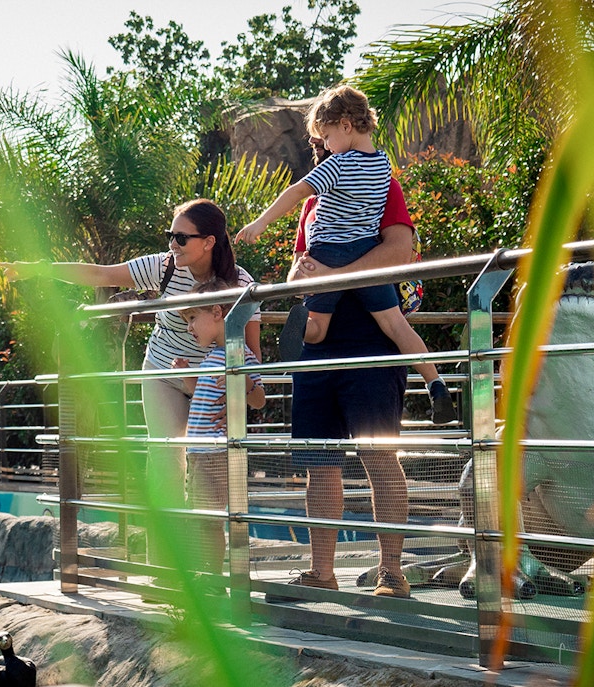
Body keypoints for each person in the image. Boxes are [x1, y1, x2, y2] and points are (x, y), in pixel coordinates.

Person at [0, 198, 262, 570]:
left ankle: (211, 571)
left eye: (181, 238)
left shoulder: (240, 284)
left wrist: (242, 390)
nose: (173, 244)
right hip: (164, 372)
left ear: (209, 242)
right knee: (166, 460)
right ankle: (164, 568)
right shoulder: (164, 267)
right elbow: (103, 275)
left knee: (211, 477)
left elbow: (251, 355)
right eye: (170, 235)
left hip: (213, 381)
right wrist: (38, 270)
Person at [235, 84, 455, 424]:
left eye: (325, 136)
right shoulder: (383, 166)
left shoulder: (337, 166)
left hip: (328, 253)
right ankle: (436, 383)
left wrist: (261, 222)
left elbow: (298, 191)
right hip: (365, 250)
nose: (324, 145)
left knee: (318, 328)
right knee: (396, 325)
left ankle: (302, 328)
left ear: (346, 125)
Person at [266, 140, 420, 601]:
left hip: (373, 347)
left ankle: (391, 573)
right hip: (317, 350)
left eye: (328, 136)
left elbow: (398, 252)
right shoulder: (311, 206)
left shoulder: (383, 185)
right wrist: (303, 278)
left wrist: (335, 271)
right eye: (318, 140)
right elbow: (300, 273)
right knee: (319, 463)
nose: (323, 147)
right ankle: (321, 572)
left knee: (379, 457)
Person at [172, 278, 267, 576]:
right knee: (200, 516)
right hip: (199, 451)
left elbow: (260, 400)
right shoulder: (211, 357)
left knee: (208, 518)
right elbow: (200, 393)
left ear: (216, 312)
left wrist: (243, 380)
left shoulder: (240, 356)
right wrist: (187, 376)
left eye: (192, 318)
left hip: (214, 452)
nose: (189, 327)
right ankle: (206, 571)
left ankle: (210, 575)